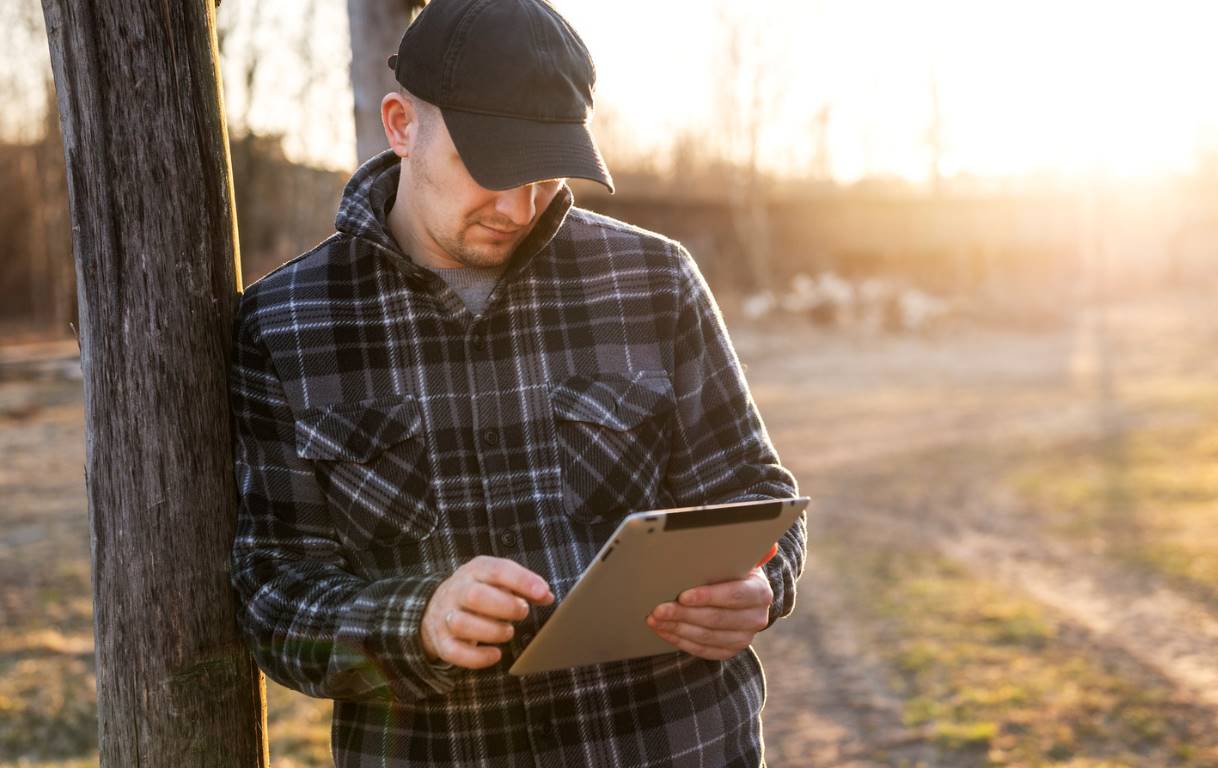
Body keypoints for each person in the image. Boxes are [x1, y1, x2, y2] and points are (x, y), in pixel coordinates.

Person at [227, 0, 806, 765]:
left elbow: (755, 493)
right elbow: (272, 593)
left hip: (677, 744)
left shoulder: (654, 278)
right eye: (489, 166)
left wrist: (762, 587)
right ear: (400, 125)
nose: (518, 206)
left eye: (543, 173)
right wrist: (418, 619)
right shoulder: (283, 323)